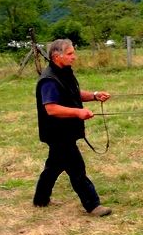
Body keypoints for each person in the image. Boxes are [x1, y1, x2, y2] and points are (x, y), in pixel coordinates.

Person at [33, 39, 112, 217]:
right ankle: (93, 205)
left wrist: (94, 95)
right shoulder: (49, 80)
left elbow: (73, 94)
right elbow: (51, 108)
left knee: (53, 167)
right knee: (76, 169)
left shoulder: (64, 73)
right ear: (56, 56)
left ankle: (40, 199)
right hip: (58, 133)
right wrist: (78, 113)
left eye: (73, 53)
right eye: (70, 54)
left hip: (65, 131)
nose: (74, 57)